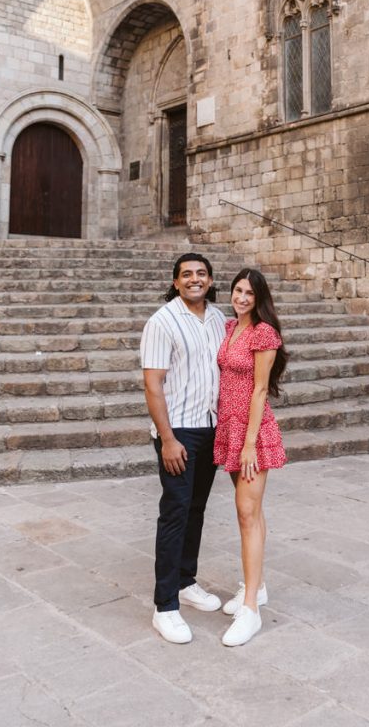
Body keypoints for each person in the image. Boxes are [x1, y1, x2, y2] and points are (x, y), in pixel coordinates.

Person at [141, 252, 227, 644]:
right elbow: (153, 384)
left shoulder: (218, 319)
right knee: (175, 512)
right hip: (179, 431)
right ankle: (165, 605)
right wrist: (168, 438)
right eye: (187, 274)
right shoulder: (162, 322)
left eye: (201, 273)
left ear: (209, 280)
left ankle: (187, 581)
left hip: (210, 428)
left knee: (196, 508)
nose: (195, 279)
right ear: (175, 282)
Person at [214, 268, 288, 647]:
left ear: (260, 298)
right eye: (238, 290)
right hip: (227, 427)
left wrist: (247, 443)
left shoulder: (264, 333)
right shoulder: (230, 328)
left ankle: (251, 610)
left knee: (246, 513)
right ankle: (255, 587)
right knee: (252, 512)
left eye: (249, 293)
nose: (242, 297)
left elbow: (260, 390)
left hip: (251, 433)